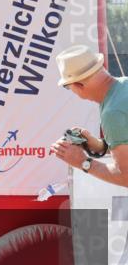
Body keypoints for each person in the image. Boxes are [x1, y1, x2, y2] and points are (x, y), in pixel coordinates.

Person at [50, 45, 128, 187]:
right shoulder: (124, 85)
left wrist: (83, 162)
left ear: (79, 85)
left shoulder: (112, 112)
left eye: (68, 87)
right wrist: (99, 146)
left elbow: (125, 177)